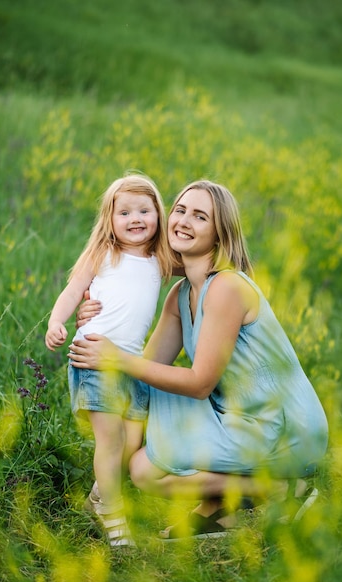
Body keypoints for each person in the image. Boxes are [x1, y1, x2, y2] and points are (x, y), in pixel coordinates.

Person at [69, 179, 328, 540]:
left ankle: (281, 491)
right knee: (138, 399)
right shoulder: (181, 293)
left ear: (220, 234)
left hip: (281, 426)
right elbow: (144, 370)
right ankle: (219, 505)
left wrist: (115, 359)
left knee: (145, 471)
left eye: (200, 216)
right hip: (232, 417)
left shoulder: (227, 288)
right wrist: (99, 317)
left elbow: (199, 383)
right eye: (179, 210)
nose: (184, 221)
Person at [45, 173, 171, 546]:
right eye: (125, 212)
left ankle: (98, 498)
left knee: (132, 438)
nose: (136, 219)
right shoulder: (104, 253)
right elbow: (72, 291)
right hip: (94, 355)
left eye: (144, 210)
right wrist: (57, 320)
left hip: (131, 361)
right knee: (111, 438)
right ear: (109, 220)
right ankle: (113, 514)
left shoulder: (160, 257)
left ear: (157, 215)